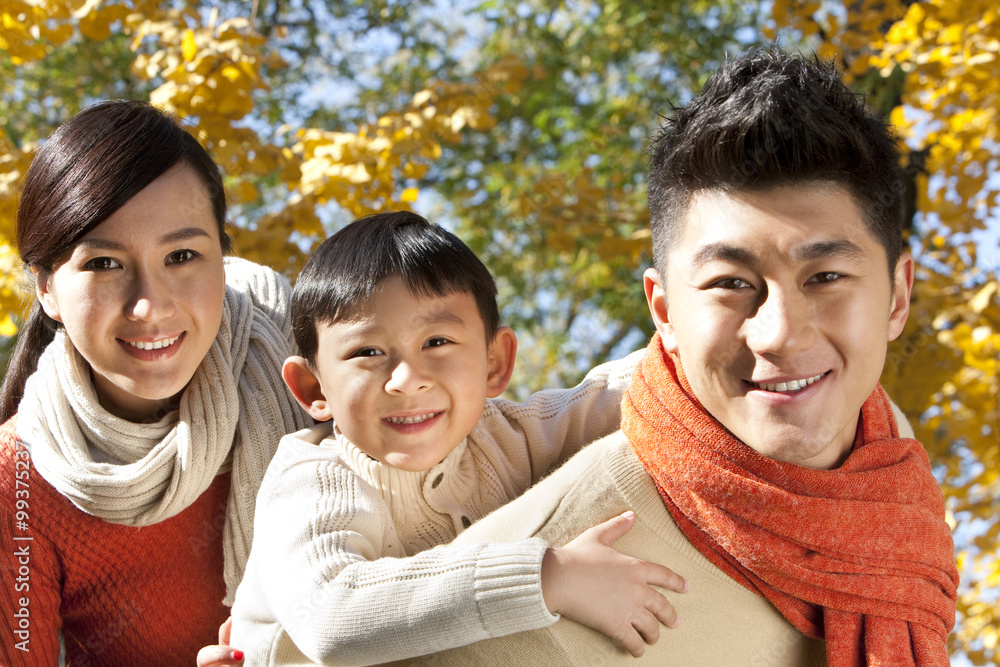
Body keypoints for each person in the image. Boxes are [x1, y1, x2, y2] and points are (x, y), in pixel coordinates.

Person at [392, 48, 959, 666]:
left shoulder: (893, 489)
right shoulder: (585, 540)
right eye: (731, 284)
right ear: (663, 311)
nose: (780, 335)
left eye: (825, 277)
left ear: (897, 297)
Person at [225, 212, 687, 666]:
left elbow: (609, 394)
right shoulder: (314, 482)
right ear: (313, 389)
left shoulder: (506, 436)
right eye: (367, 352)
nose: (406, 380)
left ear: (494, 363)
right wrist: (550, 577)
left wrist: (692, 337)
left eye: (437, 342)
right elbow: (330, 616)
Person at [0, 100, 312, 665]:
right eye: (103, 264)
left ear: (223, 255)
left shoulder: (314, 372)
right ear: (46, 287)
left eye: (183, 255)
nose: (150, 306)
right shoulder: (14, 483)